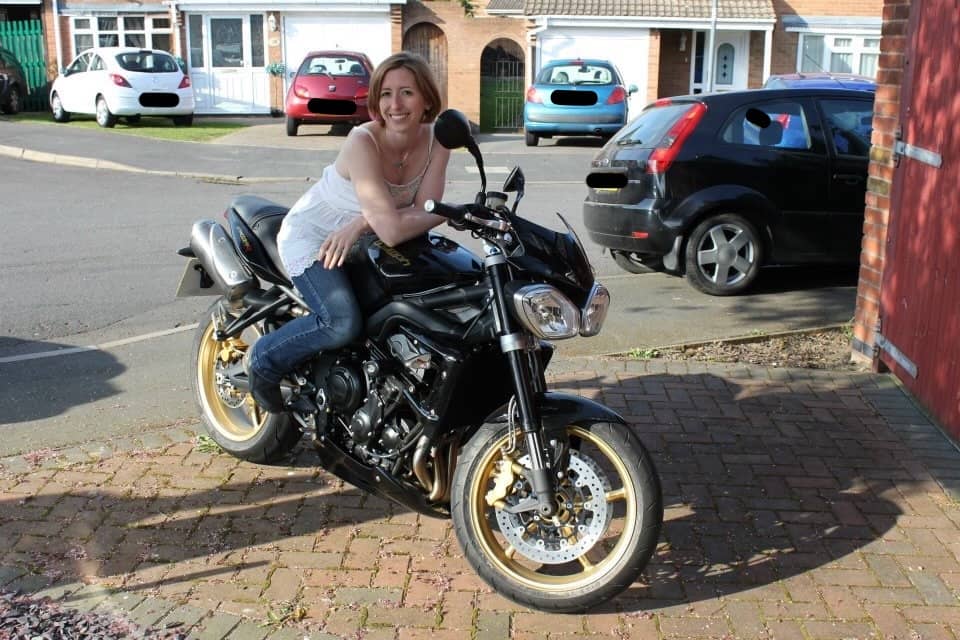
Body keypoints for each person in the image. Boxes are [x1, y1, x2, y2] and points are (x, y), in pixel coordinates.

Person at [246, 51, 452, 412]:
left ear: (427, 99)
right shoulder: (363, 141)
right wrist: (437, 213)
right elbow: (408, 220)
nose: (395, 104)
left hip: (361, 237)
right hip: (317, 236)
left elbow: (427, 209)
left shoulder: (437, 141)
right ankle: (264, 360)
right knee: (341, 322)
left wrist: (361, 222)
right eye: (386, 94)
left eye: (407, 92)